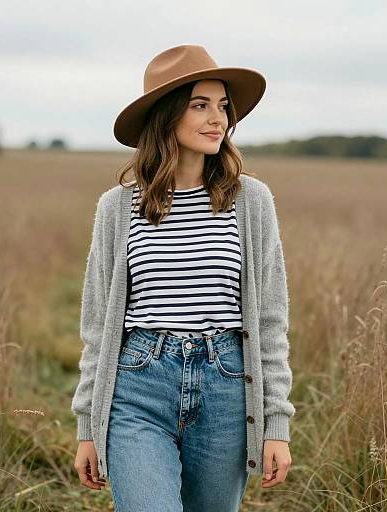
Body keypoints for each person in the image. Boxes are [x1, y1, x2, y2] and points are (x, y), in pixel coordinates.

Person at [72, 44, 296, 511]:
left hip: (226, 385)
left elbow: (271, 322)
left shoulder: (251, 201)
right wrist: (87, 426)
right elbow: (97, 327)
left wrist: (276, 424)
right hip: (138, 385)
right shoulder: (117, 208)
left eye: (222, 106)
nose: (218, 118)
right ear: (166, 116)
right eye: (200, 105)